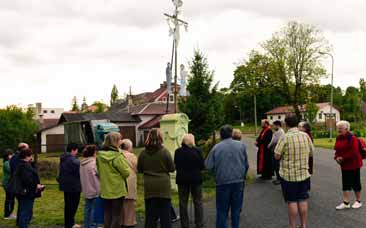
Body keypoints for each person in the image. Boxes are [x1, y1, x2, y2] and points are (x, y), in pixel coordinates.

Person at [205, 125, 249, 228]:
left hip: (222, 182)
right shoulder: (241, 146)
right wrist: (243, 176)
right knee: (236, 210)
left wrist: (216, 174)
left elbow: (208, 165)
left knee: (221, 211)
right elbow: (246, 165)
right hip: (238, 181)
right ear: (231, 133)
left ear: (221, 135)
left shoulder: (216, 148)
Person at [274, 114, 314, 228]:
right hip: (304, 174)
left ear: (286, 124)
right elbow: (311, 152)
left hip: (289, 175)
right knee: (303, 200)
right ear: (297, 123)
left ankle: (292, 226)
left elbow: (277, 156)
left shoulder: (284, 137)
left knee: (292, 201)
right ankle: (304, 225)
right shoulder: (305, 136)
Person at [137, 128, 175, 228]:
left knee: (150, 216)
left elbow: (140, 169)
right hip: (163, 186)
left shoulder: (143, 153)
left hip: (149, 186)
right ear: (160, 138)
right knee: (165, 216)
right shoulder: (165, 152)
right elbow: (172, 168)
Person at [96, 132, 130, 228]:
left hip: (105, 189)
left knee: (107, 214)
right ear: (115, 142)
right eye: (120, 139)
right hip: (117, 189)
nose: (121, 141)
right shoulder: (117, 156)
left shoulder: (99, 156)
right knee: (117, 215)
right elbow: (126, 172)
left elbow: (98, 171)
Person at [174, 134, 204, 228]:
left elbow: (176, 164)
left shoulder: (178, 151)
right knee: (198, 201)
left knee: (183, 202)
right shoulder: (198, 151)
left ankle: (185, 224)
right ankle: (199, 223)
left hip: (182, 179)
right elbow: (202, 166)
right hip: (196, 179)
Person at [334, 121, 363, 210]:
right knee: (345, 182)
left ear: (346, 129)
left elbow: (354, 151)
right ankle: (346, 202)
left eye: (340, 128)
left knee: (355, 182)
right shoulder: (339, 138)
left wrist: (342, 158)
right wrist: (336, 157)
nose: (339, 130)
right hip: (344, 164)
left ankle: (358, 201)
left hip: (354, 163)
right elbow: (337, 149)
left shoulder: (352, 138)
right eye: (338, 128)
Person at [12, 148, 44, 228]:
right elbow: (28, 180)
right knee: (26, 212)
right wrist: (37, 185)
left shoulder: (21, 164)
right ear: (27, 156)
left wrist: (32, 163)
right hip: (27, 192)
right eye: (30, 155)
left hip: (22, 192)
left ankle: (21, 225)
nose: (31, 157)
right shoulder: (25, 166)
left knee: (23, 210)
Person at [58, 143, 82, 228]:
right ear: (73, 150)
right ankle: (70, 224)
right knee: (73, 206)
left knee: (68, 206)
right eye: (76, 150)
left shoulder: (63, 158)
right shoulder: (73, 160)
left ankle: (69, 223)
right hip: (74, 187)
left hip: (66, 185)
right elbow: (80, 172)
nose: (77, 152)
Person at [80, 145, 100, 228]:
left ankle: (87, 225)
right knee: (94, 211)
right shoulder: (94, 163)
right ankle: (92, 226)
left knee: (87, 209)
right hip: (95, 189)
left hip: (86, 189)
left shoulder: (82, 163)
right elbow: (100, 174)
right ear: (94, 152)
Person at [120, 139, 138, 228]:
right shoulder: (132, 156)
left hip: (119, 183)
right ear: (129, 147)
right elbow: (137, 168)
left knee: (121, 204)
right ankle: (129, 222)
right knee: (130, 204)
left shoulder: (118, 155)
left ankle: (122, 221)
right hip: (130, 182)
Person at [268, 121, 285, 185]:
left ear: (278, 125)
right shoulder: (278, 131)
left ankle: (279, 179)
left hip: (277, 149)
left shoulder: (279, 132)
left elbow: (274, 141)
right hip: (275, 149)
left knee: (277, 165)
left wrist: (269, 145)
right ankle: (278, 178)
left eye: (274, 125)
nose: (273, 126)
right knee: (276, 165)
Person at [298, 121, 314, 190]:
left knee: (306, 170)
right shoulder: (304, 134)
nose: (298, 128)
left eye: (300, 127)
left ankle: (306, 187)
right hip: (305, 156)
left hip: (306, 156)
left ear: (305, 128)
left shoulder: (307, 135)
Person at [2, 149, 16, 219]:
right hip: (7, 183)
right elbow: (11, 170)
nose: (13, 156)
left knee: (11, 199)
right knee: (9, 199)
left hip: (11, 183)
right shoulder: (6, 163)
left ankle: (10, 213)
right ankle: (7, 214)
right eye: (11, 154)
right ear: (8, 156)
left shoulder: (10, 162)